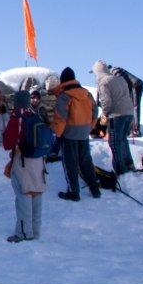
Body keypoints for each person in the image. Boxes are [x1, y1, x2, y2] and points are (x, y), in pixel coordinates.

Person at [2, 90, 47, 242]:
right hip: (39, 161)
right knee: (36, 195)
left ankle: (23, 233)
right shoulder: (35, 115)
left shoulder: (17, 117)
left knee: (24, 196)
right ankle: (35, 232)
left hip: (23, 161)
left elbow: (8, 143)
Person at [52, 67, 100, 200]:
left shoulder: (65, 96)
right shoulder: (87, 94)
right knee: (86, 162)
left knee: (70, 163)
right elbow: (95, 112)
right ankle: (95, 189)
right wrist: (89, 127)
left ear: (62, 80)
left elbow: (60, 117)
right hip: (84, 133)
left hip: (69, 134)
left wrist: (58, 134)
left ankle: (74, 192)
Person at [93, 60, 136, 175]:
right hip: (129, 113)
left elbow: (106, 101)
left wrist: (105, 114)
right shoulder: (120, 79)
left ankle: (121, 170)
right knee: (122, 139)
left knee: (114, 142)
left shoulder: (103, 82)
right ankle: (129, 163)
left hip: (117, 115)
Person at [109, 64, 143, 136]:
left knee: (134, 107)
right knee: (134, 107)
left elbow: (122, 81)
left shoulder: (113, 70)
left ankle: (136, 130)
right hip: (136, 84)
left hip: (135, 86)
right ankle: (134, 128)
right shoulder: (116, 69)